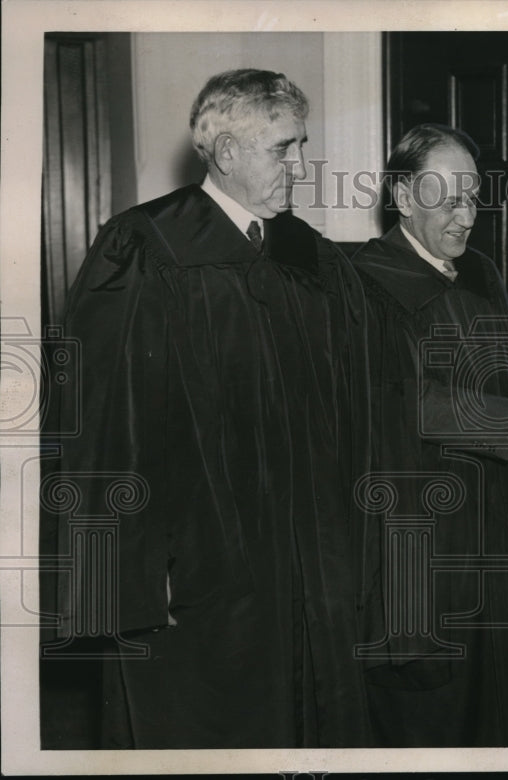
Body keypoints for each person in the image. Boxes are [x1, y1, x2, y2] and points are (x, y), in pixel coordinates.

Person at [41, 69, 378, 748]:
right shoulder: (146, 246)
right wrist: (128, 579)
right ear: (227, 153)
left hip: (304, 566)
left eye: (302, 145)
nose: (303, 166)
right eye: (285, 149)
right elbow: (106, 426)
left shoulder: (307, 256)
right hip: (194, 569)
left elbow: (355, 406)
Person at [350, 124, 508, 746]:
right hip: (428, 537)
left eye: (473, 196)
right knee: (437, 716)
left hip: (499, 530)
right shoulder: (364, 284)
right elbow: (397, 400)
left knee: (502, 709)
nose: (467, 215)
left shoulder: (480, 272)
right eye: (448, 198)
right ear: (402, 198)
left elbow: (503, 377)